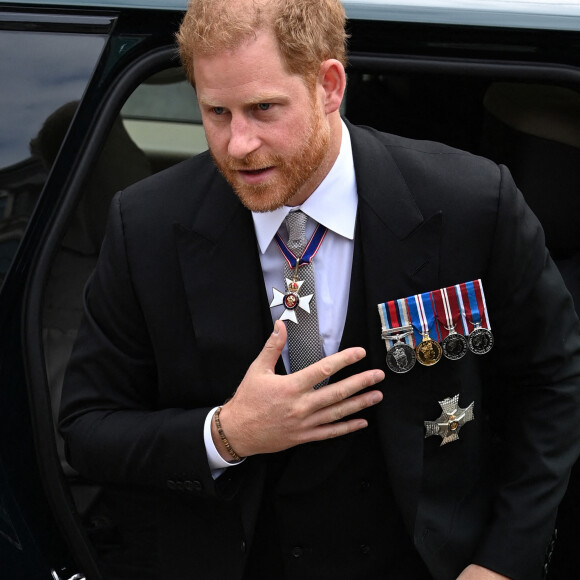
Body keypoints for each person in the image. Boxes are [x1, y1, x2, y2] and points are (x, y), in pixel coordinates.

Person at [59, 0, 580, 579]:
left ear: (328, 85)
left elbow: (552, 386)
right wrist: (226, 435)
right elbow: (87, 430)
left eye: (263, 109)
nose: (237, 145)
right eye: (216, 112)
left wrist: (503, 562)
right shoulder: (147, 227)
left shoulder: (470, 204)